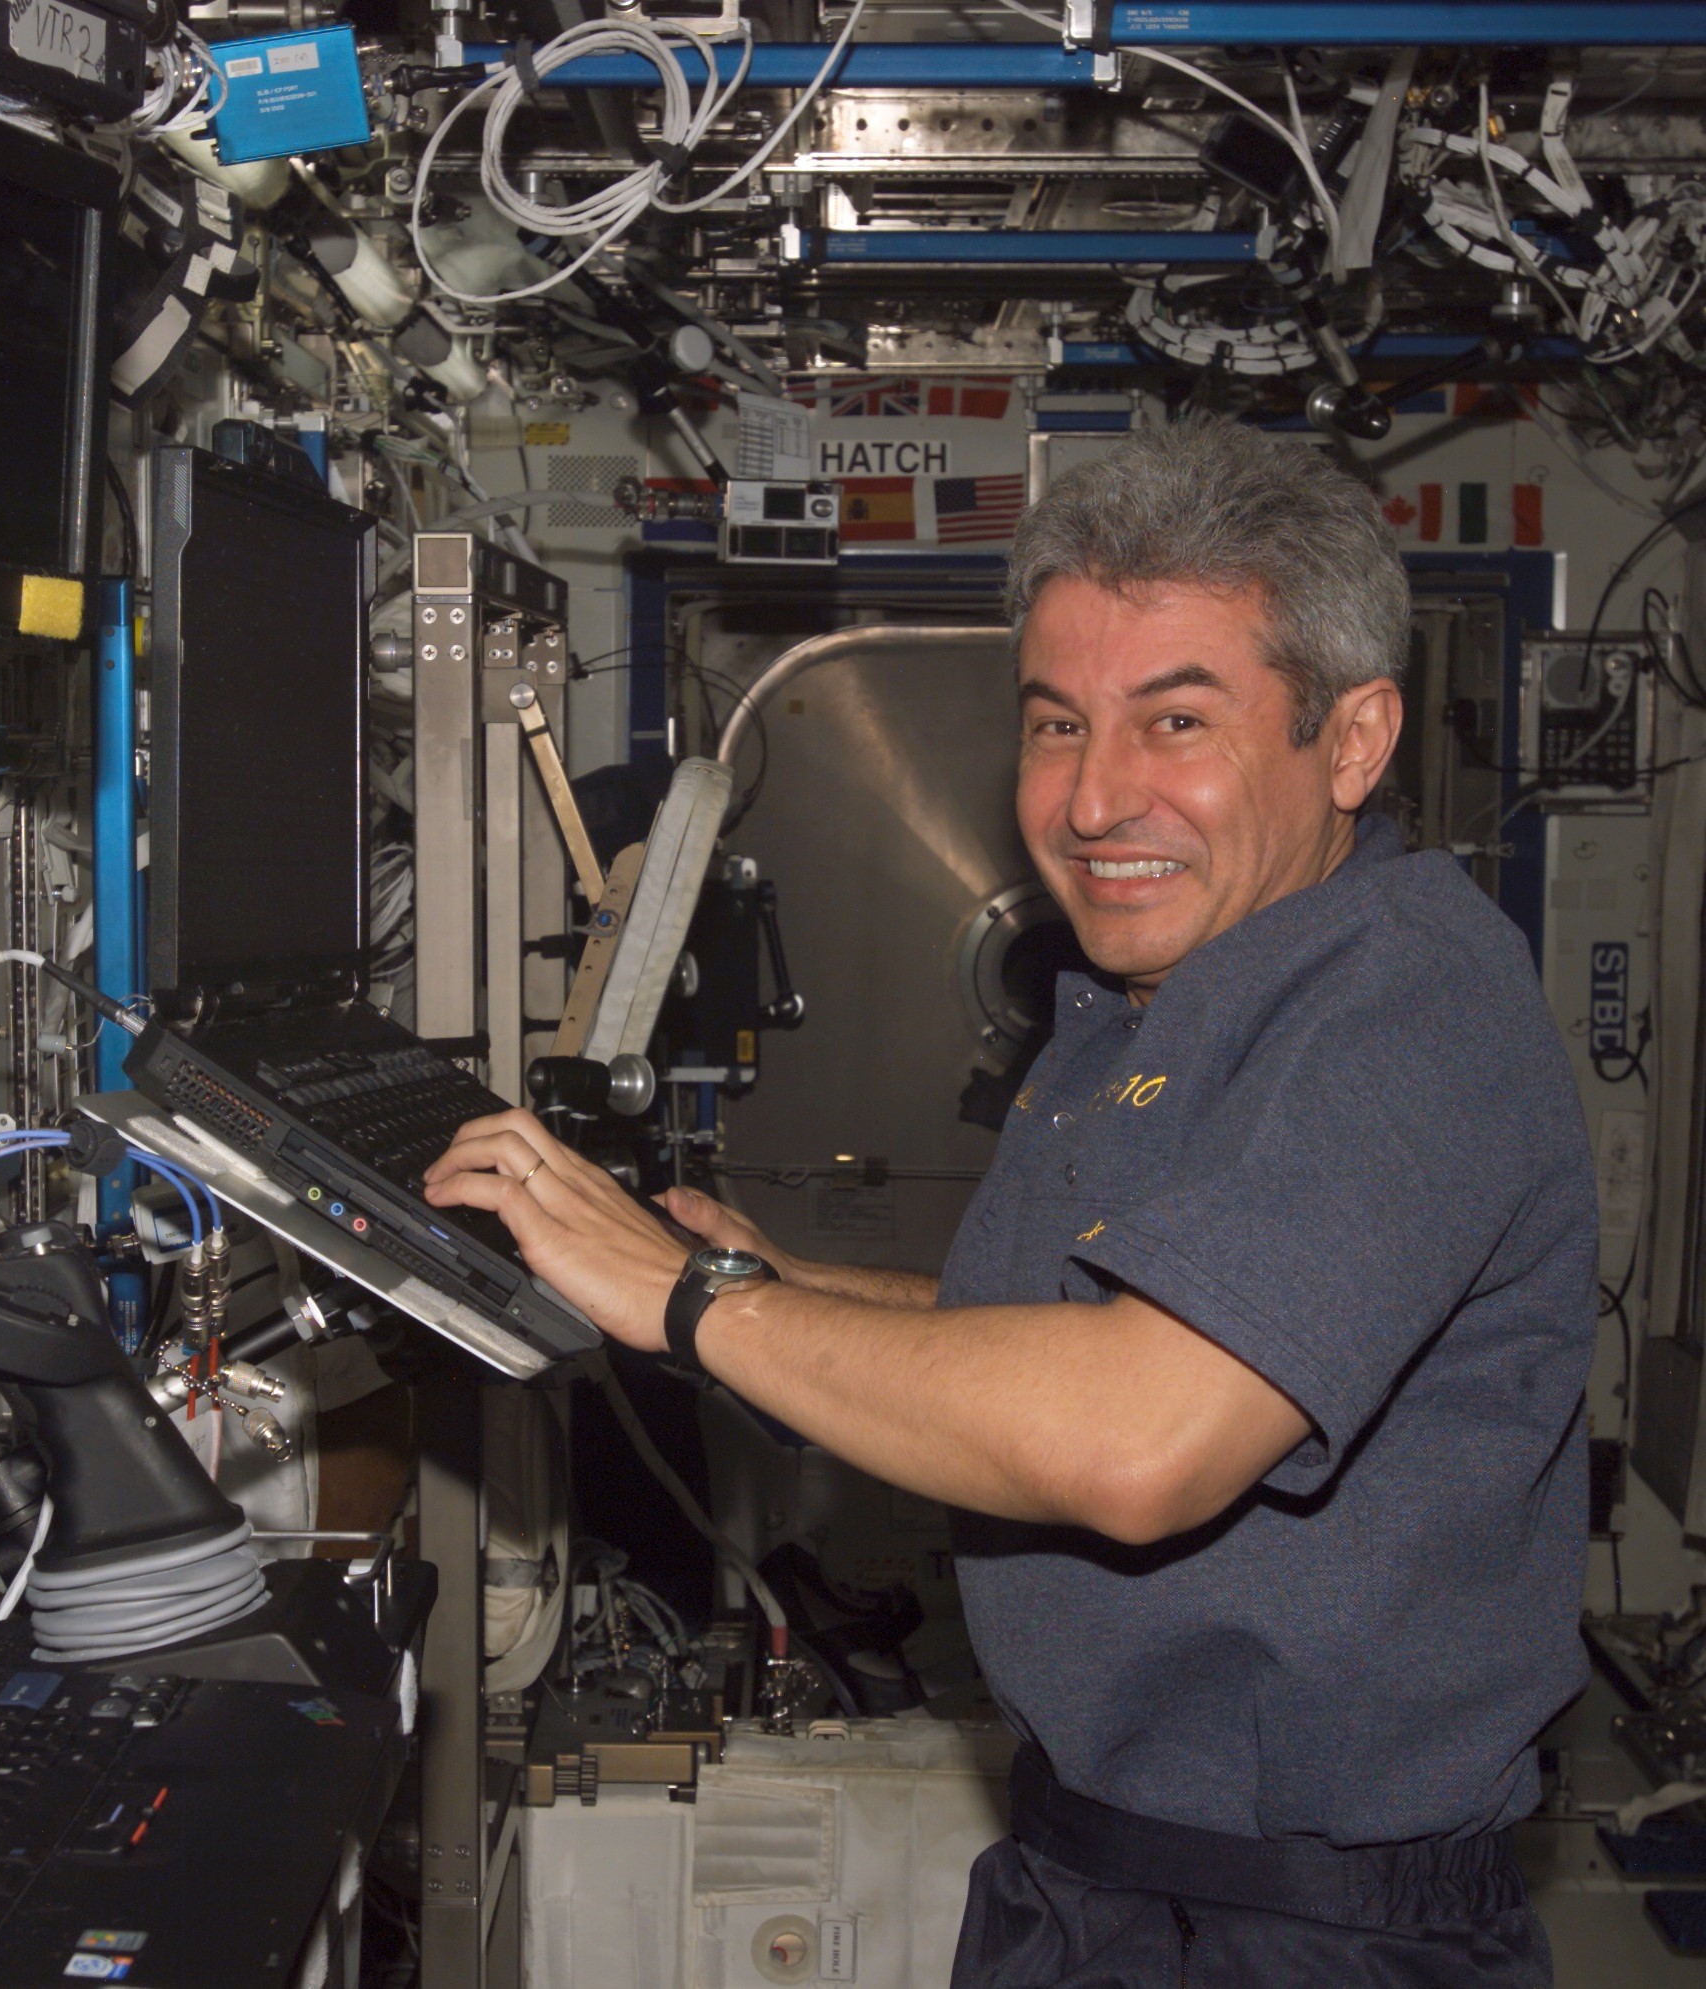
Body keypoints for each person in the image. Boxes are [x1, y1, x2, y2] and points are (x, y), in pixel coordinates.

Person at [422, 419, 1594, 1986]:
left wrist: (700, 1308)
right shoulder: (1145, 1000)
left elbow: (1135, 1436)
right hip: (1092, 1884)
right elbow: (1060, 1337)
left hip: (1303, 1934)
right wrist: (783, 1284)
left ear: (1357, 739)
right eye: (1056, 724)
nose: (1096, 798)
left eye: (1176, 722)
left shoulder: (1408, 997)